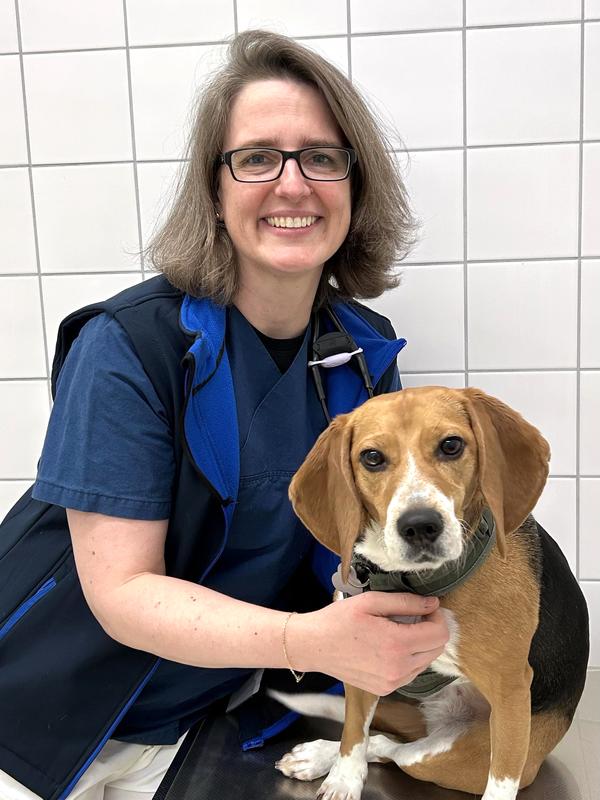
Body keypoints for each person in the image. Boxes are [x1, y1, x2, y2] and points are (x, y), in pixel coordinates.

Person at [0, 30, 449, 800]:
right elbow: (123, 592)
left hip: (203, 718)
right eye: (257, 158)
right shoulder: (130, 348)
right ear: (214, 191)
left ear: (355, 186)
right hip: (38, 718)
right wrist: (309, 642)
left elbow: (367, 548)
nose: (293, 184)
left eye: (322, 157)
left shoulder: (363, 357)